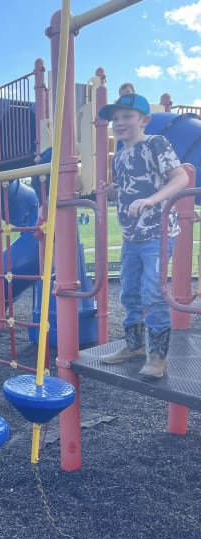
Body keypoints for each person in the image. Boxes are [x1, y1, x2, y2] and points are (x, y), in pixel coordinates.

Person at [97, 93, 189, 378]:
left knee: (153, 291)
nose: (120, 123)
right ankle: (135, 346)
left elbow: (180, 177)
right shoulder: (121, 155)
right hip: (131, 235)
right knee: (129, 292)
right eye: (115, 118)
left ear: (144, 120)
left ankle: (158, 357)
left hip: (157, 233)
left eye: (127, 116)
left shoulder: (155, 143)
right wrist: (114, 192)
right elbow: (130, 188)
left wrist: (152, 200)